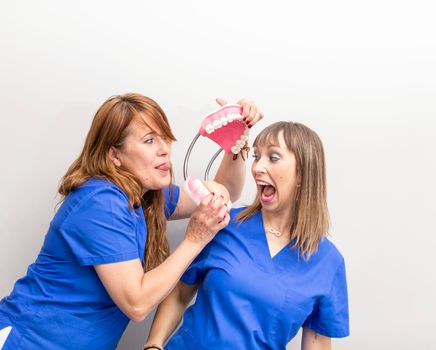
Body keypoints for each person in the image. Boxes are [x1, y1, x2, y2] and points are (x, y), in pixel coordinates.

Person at [0, 93, 263, 350]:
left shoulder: (146, 197)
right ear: (114, 155)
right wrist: (195, 238)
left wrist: (237, 139)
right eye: (149, 140)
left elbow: (225, 188)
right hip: (29, 340)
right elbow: (137, 304)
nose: (164, 149)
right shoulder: (101, 201)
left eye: (164, 138)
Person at [143, 121, 349, 350]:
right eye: (256, 156)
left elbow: (317, 344)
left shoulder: (328, 263)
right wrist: (154, 344)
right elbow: (180, 293)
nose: (257, 167)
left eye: (273, 157)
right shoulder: (223, 223)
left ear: (302, 172)